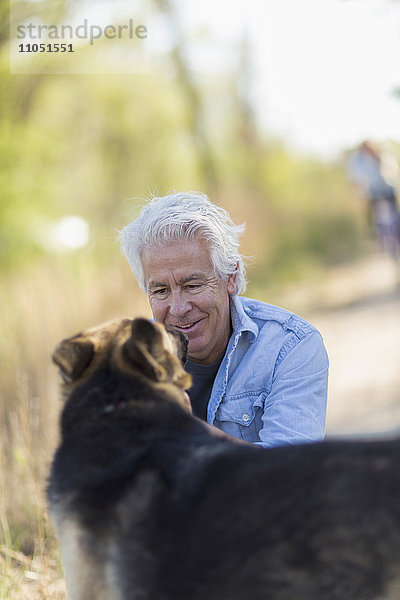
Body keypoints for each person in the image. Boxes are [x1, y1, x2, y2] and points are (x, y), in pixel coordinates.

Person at [119, 192, 329, 448]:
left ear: (230, 276)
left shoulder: (290, 348)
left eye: (193, 285)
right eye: (161, 291)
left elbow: (291, 471)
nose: (178, 308)